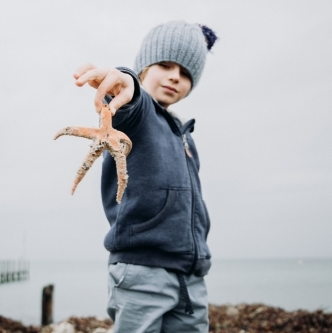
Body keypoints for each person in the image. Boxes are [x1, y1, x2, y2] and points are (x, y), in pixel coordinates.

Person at [73, 21, 218, 333]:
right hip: (141, 269)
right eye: (164, 64)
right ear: (143, 69)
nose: (174, 76)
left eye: (185, 72)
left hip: (190, 276)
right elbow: (130, 98)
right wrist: (123, 82)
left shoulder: (186, 137)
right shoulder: (138, 115)